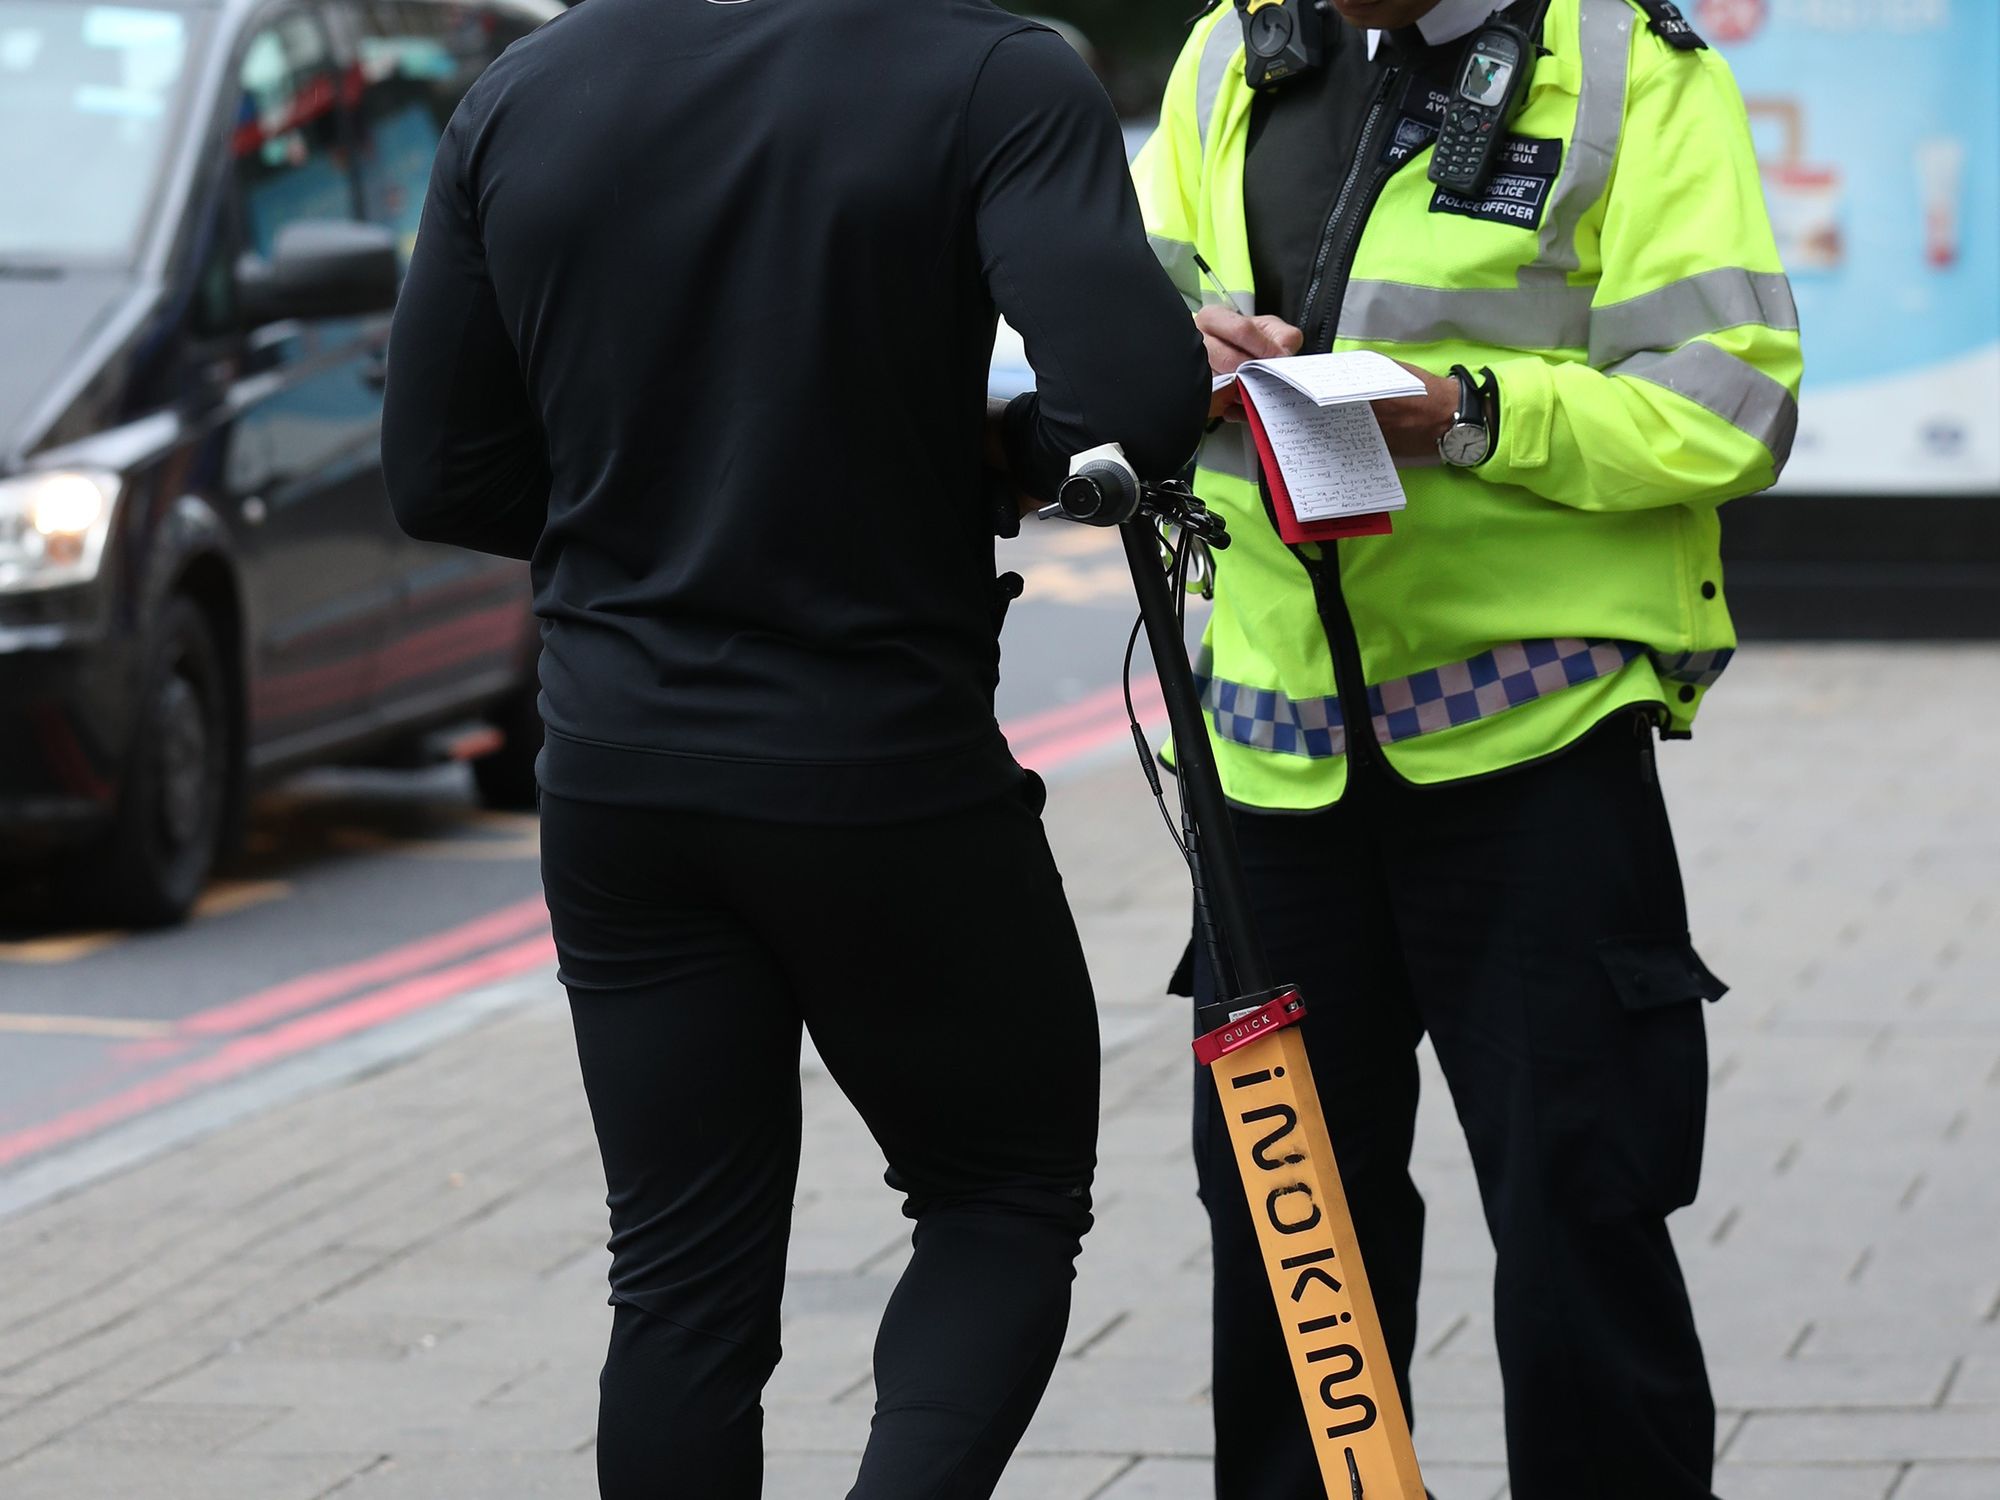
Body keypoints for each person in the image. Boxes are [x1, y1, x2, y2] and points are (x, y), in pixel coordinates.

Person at [379, 0, 1210, 1493]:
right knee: (1003, 1190)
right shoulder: (991, 73)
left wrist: (648, 520)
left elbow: (441, 473)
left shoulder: (523, 94)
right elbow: (1137, 406)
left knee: (682, 1279)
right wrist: (1000, 457)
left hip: (621, 776)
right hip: (880, 761)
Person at [1131, 0, 1801, 1495]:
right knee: (1291, 1249)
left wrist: (1472, 413)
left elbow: (1734, 402)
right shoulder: (1230, 53)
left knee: (1584, 1224)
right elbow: (1139, 296)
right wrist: (1175, 346)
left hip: (1533, 756)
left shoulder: (1635, 68)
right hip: (1273, 768)